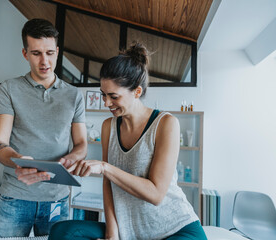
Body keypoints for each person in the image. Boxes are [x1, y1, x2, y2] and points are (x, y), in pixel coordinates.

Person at [49, 43, 207, 240]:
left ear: (137, 92)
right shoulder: (109, 126)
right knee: (62, 232)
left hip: (174, 229)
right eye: (103, 95)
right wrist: (112, 233)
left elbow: (156, 194)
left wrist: (105, 167)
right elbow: (108, 183)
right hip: (129, 229)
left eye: (113, 96)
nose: (106, 103)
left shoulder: (166, 124)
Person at [0, 18, 87, 238]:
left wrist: (70, 158)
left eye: (50, 53)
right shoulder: (9, 89)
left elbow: (81, 144)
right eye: (36, 53)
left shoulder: (74, 95)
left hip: (57, 199)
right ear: (25, 53)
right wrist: (18, 160)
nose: (45, 61)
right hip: (15, 197)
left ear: (57, 51)